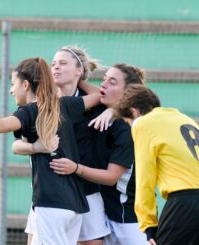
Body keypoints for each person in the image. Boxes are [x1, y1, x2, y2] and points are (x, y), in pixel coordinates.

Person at [0, 57, 100, 245]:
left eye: (13, 84)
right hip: (74, 205)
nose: (11, 90)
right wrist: (36, 147)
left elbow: (0, 125)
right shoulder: (65, 104)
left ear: (25, 85)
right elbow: (99, 94)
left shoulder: (29, 111)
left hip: (51, 203)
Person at [12, 46, 110, 245]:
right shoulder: (40, 105)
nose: (55, 67)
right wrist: (35, 147)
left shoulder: (90, 105)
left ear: (79, 71)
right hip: (51, 194)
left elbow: (107, 96)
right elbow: (17, 145)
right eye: (53, 64)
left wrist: (111, 111)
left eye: (63, 63)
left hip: (86, 190)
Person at [50, 63, 147, 245]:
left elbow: (111, 177)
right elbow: (97, 92)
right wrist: (76, 72)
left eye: (112, 82)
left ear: (128, 92)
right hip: (106, 211)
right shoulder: (101, 112)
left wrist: (76, 168)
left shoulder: (129, 127)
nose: (103, 85)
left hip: (130, 217)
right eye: (103, 80)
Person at [115, 84, 199, 245]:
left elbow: (145, 179)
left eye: (128, 122)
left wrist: (149, 225)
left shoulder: (143, 123)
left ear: (134, 111)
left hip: (184, 202)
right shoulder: (185, 119)